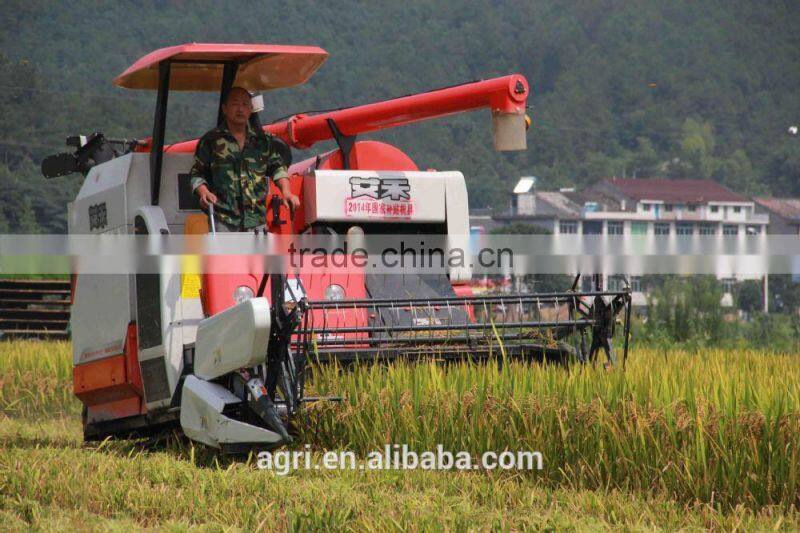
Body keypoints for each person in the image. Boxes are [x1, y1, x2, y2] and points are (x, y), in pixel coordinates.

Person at [189, 87, 300, 232]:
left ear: (251, 109)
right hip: (224, 220)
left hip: (257, 220)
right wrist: (204, 192)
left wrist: (286, 192)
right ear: (224, 109)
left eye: (245, 104)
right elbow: (197, 174)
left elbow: (278, 168)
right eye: (235, 104)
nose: (240, 109)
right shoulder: (210, 141)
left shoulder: (264, 140)